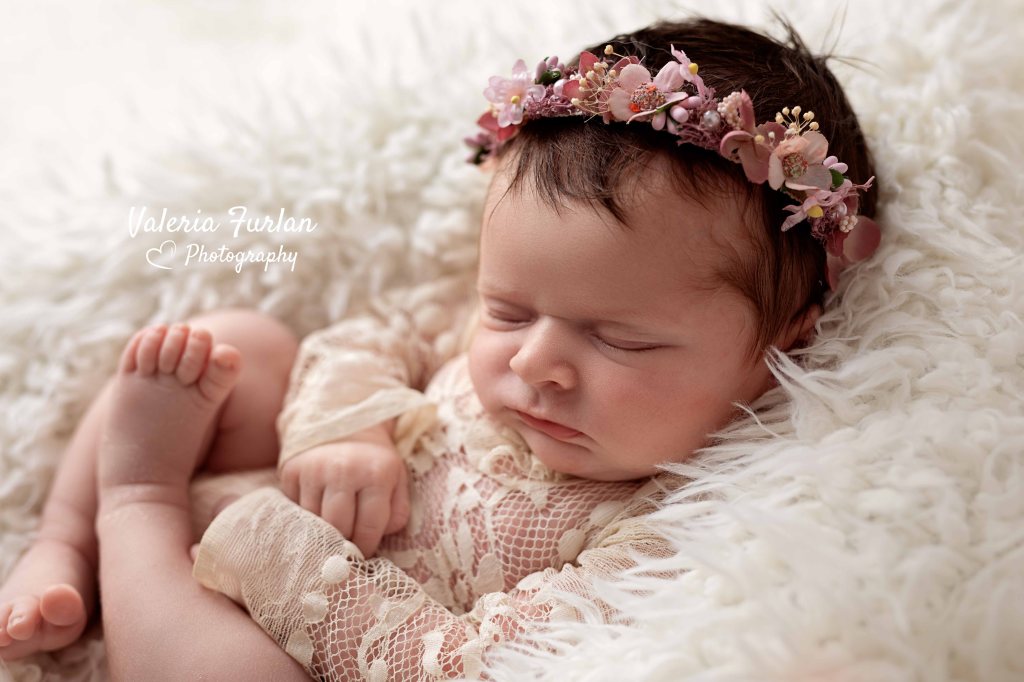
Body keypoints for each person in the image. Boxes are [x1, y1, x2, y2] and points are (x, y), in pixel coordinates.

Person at [0, 15, 880, 679]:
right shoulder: (508, 328)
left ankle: (129, 505)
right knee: (237, 346)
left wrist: (284, 556)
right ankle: (62, 540)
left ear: (779, 344)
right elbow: (369, 335)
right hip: (269, 482)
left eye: (622, 340)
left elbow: (460, 666)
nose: (535, 362)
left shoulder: (667, 526)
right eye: (504, 310)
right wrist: (345, 429)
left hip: (251, 616)